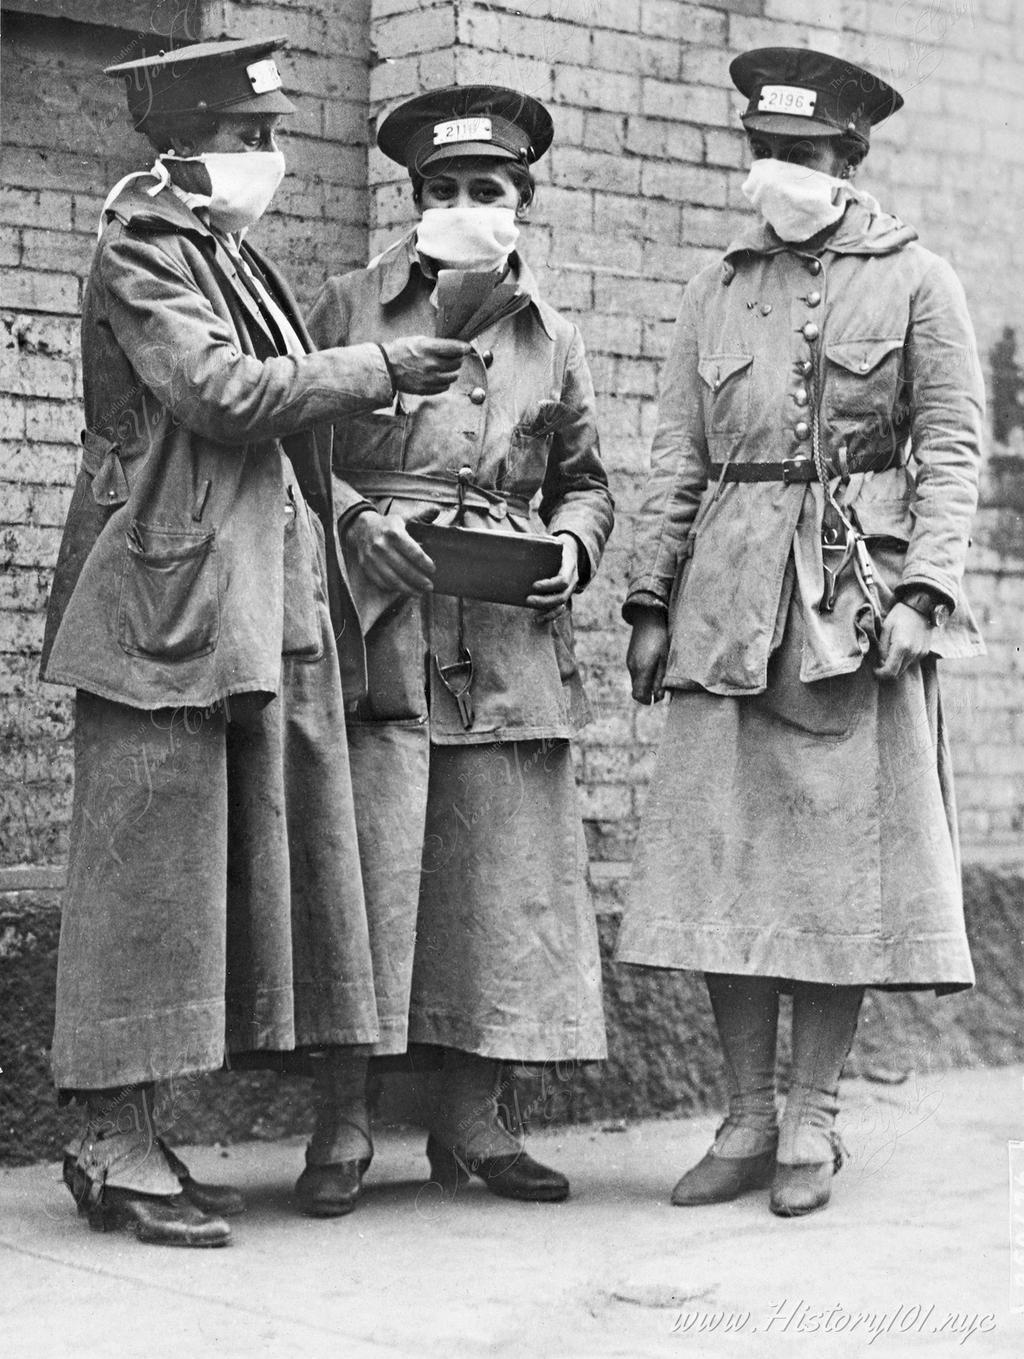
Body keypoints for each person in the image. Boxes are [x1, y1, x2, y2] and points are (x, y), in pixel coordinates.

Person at [40, 36, 472, 1246]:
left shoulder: (224, 252)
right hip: (157, 610)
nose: (268, 161)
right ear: (181, 144)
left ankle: (140, 1134)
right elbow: (221, 395)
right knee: (140, 880)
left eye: (271, 137)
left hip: (232, 608)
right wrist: (375, 369)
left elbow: (279, 444)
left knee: (192, 882)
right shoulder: (144, 247)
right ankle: (107, 1141)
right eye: (248, 138)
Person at [617, 47, 985, 1218]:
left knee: (836, 873)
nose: (780, 173)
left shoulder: (921, 279)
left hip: (854, 608)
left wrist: (924, 594)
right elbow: (678, 456)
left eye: (806, 155)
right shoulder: (713, 291)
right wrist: (646, 600)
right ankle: (743, 1116)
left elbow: (953, 450)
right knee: (727, 860)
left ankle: (814, 1120)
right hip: (726, 607)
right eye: (765, 152)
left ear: (850, 160)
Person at [307, 85, 613, 1203]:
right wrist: (353, 518)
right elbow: (291, 450)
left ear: (521, 203)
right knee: (362, 870)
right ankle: (340, 1124)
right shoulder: (347, 303)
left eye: (487, 190)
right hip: (377, 620)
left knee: (499, 880)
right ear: (413, 200)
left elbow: (584, 482)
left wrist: (573, 549)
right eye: (443, 190)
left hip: (504, 633)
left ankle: (478, 1123)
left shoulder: (553, 336)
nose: (464, 206)